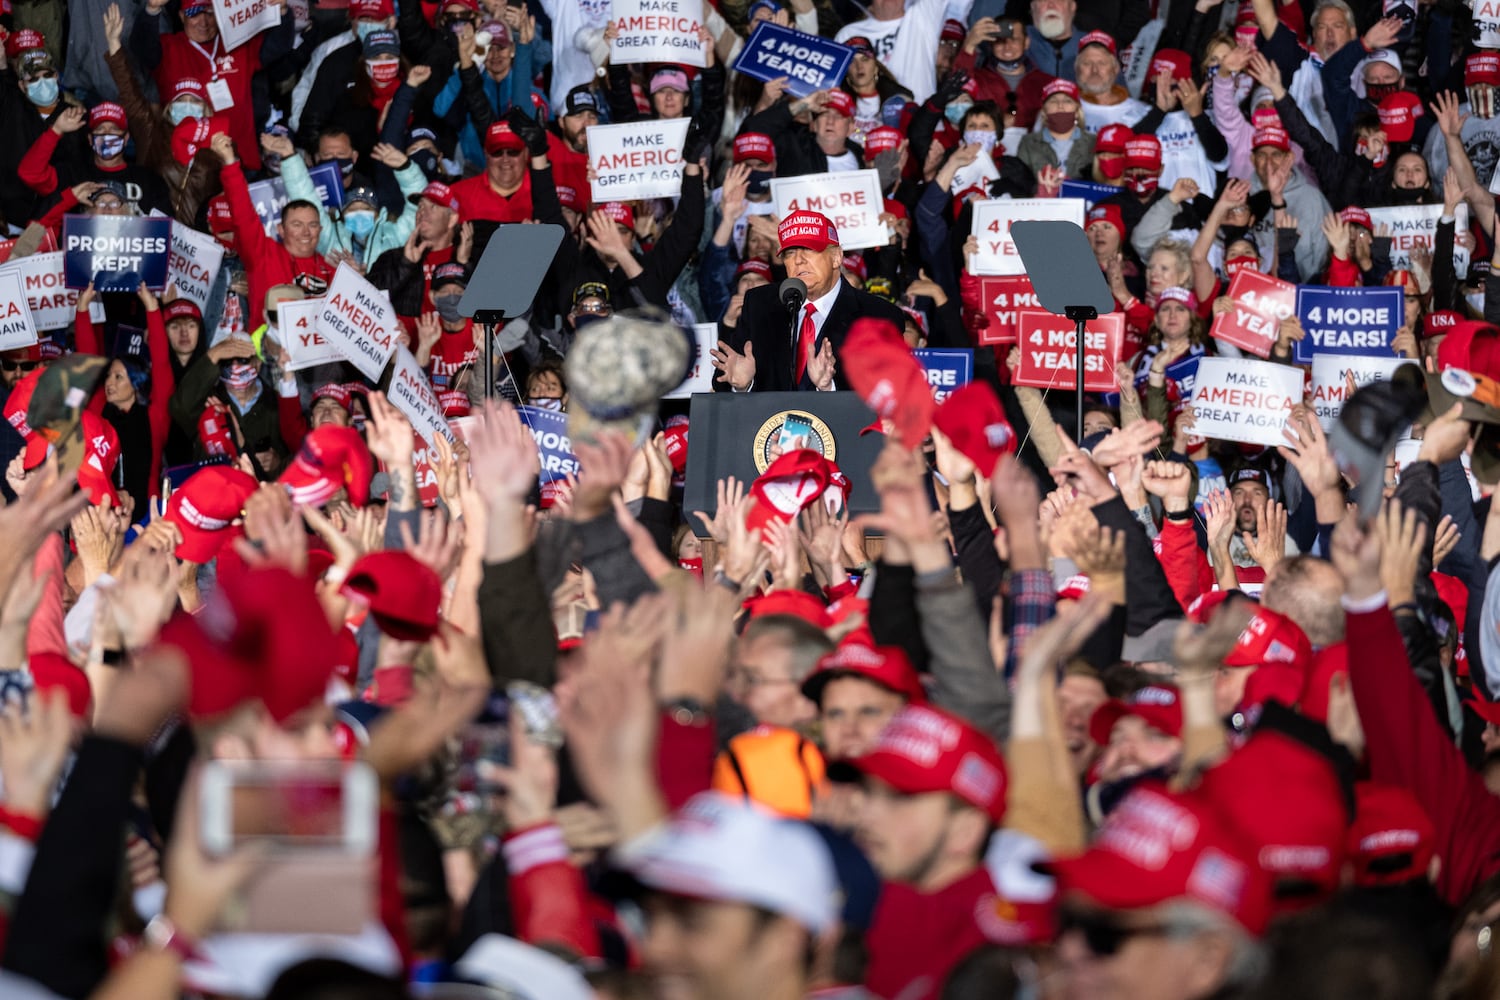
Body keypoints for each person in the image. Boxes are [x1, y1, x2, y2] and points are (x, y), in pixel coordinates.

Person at [711, 211, 909, 392]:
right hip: (768, 428)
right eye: (789, 253)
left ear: (836, 257)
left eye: (809, 250)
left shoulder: (879, 316)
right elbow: (725, 381)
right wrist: (744, 385)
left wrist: (829, 387)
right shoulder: (760, 304)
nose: (798, 260)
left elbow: (887, 395)